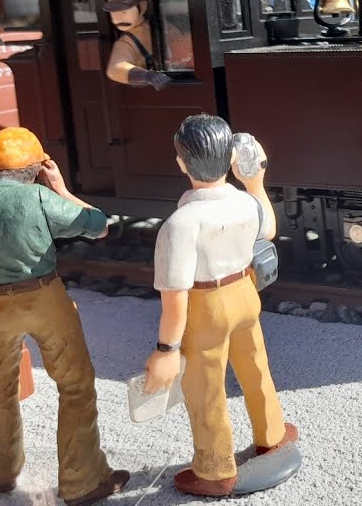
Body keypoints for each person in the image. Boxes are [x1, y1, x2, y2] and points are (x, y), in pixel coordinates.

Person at [0, 127, 129, 505]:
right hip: (43, 298)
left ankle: (3, 474)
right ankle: (81, 481)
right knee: (74, 384)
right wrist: (59, 187)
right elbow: (99, 225)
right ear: (36, 169)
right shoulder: (40, 197)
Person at [142, 114, 298, 497]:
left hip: (206, 306)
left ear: (182, 163)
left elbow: (175, 299)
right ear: (231, 159)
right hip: (245, 293)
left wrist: (166, 350)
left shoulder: (180, 224)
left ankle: (214, 469)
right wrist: (256, 180)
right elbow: (269, 229)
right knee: (256, 367)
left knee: (205, 388)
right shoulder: (246, 202)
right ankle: (272, 435)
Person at [102, 0, 172, 90]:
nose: (117, 18)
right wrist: (147, 76)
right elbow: (114, 69)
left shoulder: (163, 27)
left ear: (143, 6)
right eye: (113, 13)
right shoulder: (126, 42)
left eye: (124, 12)